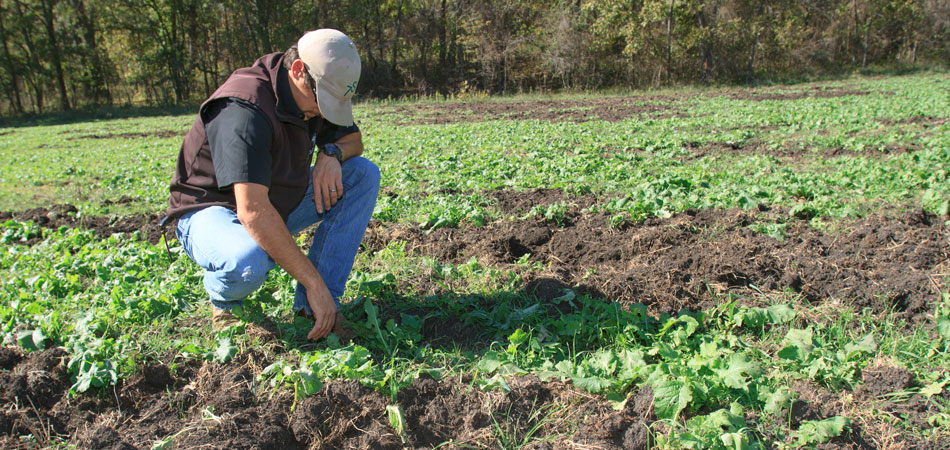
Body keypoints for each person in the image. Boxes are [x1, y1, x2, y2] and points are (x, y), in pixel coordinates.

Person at [162, 29, 379, 340]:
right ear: (298, 70)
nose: (323, 112)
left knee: (362, 175)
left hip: (272, 196)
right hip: (210, 209)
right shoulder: (244, 109)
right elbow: (253, 212)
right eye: (323, 102)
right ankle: (225, 300)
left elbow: (353, 140)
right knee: (247, 260)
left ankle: (315, 308)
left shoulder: (313, 91)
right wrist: (312, 281)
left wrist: (331, 153)